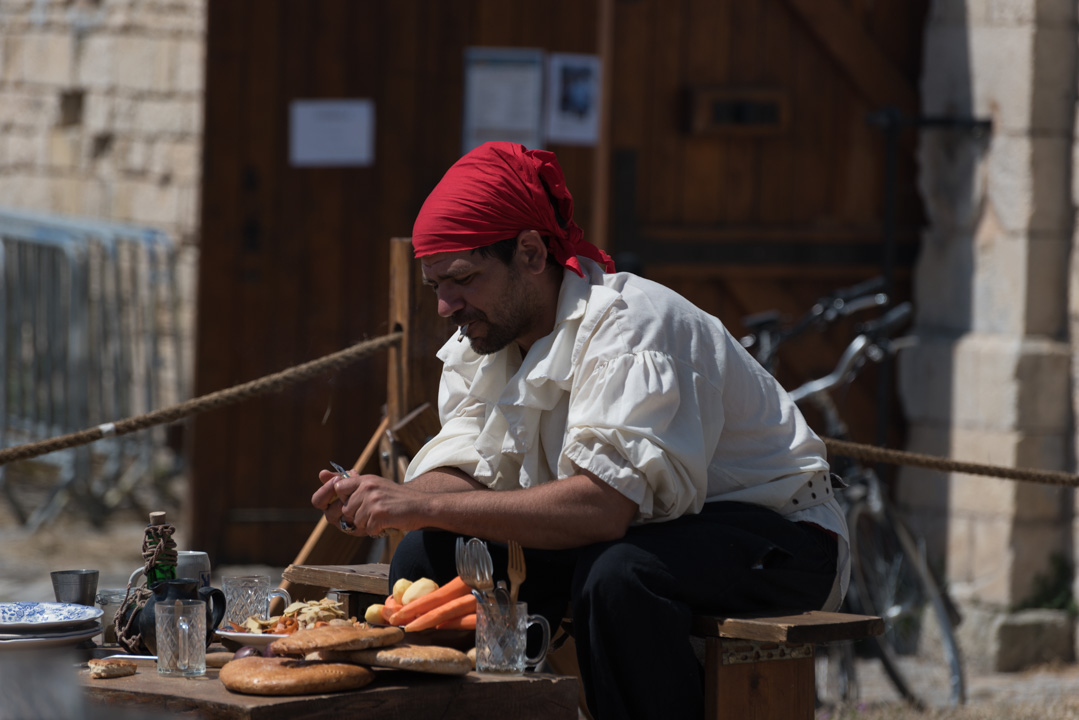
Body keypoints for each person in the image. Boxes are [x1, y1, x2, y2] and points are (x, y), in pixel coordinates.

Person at [312, 141, 849, 719]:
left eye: (462, 278)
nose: (445, 305)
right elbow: (471, 472)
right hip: (639, 538)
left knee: (620, 577)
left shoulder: (631, 327)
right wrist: (392, 501)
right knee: (429, 551)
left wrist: (416, 504)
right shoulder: (490, 342)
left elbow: (600, 510)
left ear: (530, 254)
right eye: (435, 286)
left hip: (784, 539)